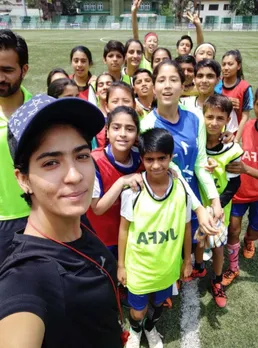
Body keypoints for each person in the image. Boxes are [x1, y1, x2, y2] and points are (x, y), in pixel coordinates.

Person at [0, 95, 124, 347]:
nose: (74, 175)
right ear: (22, 179)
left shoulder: (77, 223)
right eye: (51, 162)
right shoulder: (27, 277)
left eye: (81, 156)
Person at [118, 128, 192, 347]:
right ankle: (135, 329)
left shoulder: (181, 190)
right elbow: (123, 229)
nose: (157, 165)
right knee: (138, 311)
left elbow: (187, 227)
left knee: (159, 303)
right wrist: (121, 265)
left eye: (162, 158)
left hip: (167, 266)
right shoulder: (133, 191)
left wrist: (187, 260)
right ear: (142, 159)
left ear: (171, 157)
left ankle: (151, 328)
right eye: (150, 159)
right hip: (138, 267)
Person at [141, 60, 223, 241]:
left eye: (173, 80)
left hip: (193, 200)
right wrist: (199, 208)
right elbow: (172, 170)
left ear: (182, 86)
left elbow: (200, 163)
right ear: (154, 87)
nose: (167, 86)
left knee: (191, 255)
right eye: (161, 80)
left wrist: (214, 200)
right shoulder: (147, 125)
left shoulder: (195, 119)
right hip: (165, 204)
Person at [191, 95, 243, 307]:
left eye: (219, 118)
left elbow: (234, 184)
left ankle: (217, 280)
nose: (213, 122)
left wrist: (217, 205)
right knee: (199, 238)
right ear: (202, 116)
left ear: (227, 119)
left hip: (220, 207)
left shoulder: (232, 149)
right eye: (209, 116)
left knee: (218, 245)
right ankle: (200, 266)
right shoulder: (196, 143)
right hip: (196, 204)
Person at [86, 106, 144, 258]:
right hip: (103, 240)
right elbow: (97, 208)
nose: (122, 134)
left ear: (137, 134)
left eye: (130, 129)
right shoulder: (94, 161)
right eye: (116, 128)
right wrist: (121, 181)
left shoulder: (142, 157)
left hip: (134, 238)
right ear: (107, 130)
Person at [0, 29, 32, 264]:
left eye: (7, 70)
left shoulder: (39, 110)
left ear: (24, 70)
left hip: (36, 216)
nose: (0, 77)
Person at [222, 88, 258, 287]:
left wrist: (246, 169)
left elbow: (246, 167)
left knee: (253, 232)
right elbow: (227, 140)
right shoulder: (245, 127)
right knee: (232, 231)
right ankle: (233, 267)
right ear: (255, 106)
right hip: (239, 194)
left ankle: (249, 239)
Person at [218, 49, 253, 142]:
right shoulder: (216, 85)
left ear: (238, 66)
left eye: (230, 64)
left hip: (233, 135)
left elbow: (245, 116)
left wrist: (236, 139)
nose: (226, 67)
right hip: (216, 132)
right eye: (224, 64)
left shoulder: (245, 88)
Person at [131, 0, 158, 72]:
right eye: (149, 41)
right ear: (144, 44)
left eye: (155, 41)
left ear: (157, 45)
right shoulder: (140, 58)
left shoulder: (158, 62)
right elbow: (135, 35)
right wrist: (134, 13)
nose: (152, 43)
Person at [95, 72, 115, 148]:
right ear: (96, 93)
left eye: (109, 84)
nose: (105, 87)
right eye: (101, 85)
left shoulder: (122, 113)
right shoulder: (92, 116)